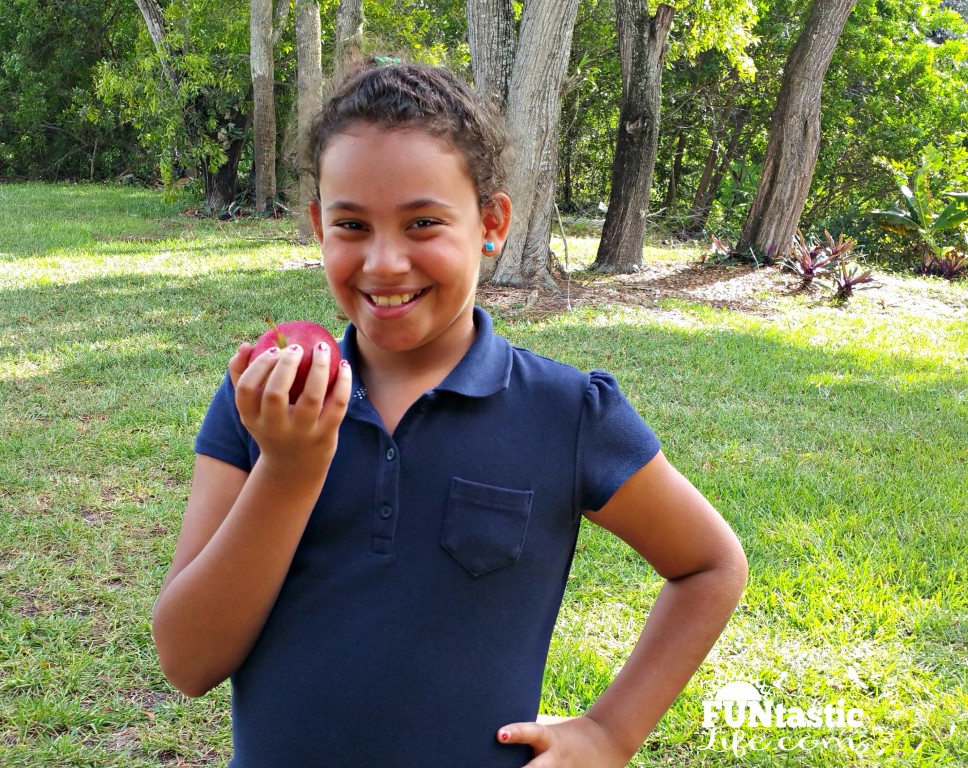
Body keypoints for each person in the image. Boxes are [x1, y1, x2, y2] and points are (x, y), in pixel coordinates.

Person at [151, 62, 748, 768]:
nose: (385, 262)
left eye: (423, 223)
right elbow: (189, 662)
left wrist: (610, 732)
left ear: (491, 224)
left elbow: (711, 565)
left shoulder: (567, 414)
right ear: (318, 227)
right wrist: (287, 469)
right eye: (351, 224)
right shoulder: (266, 401)